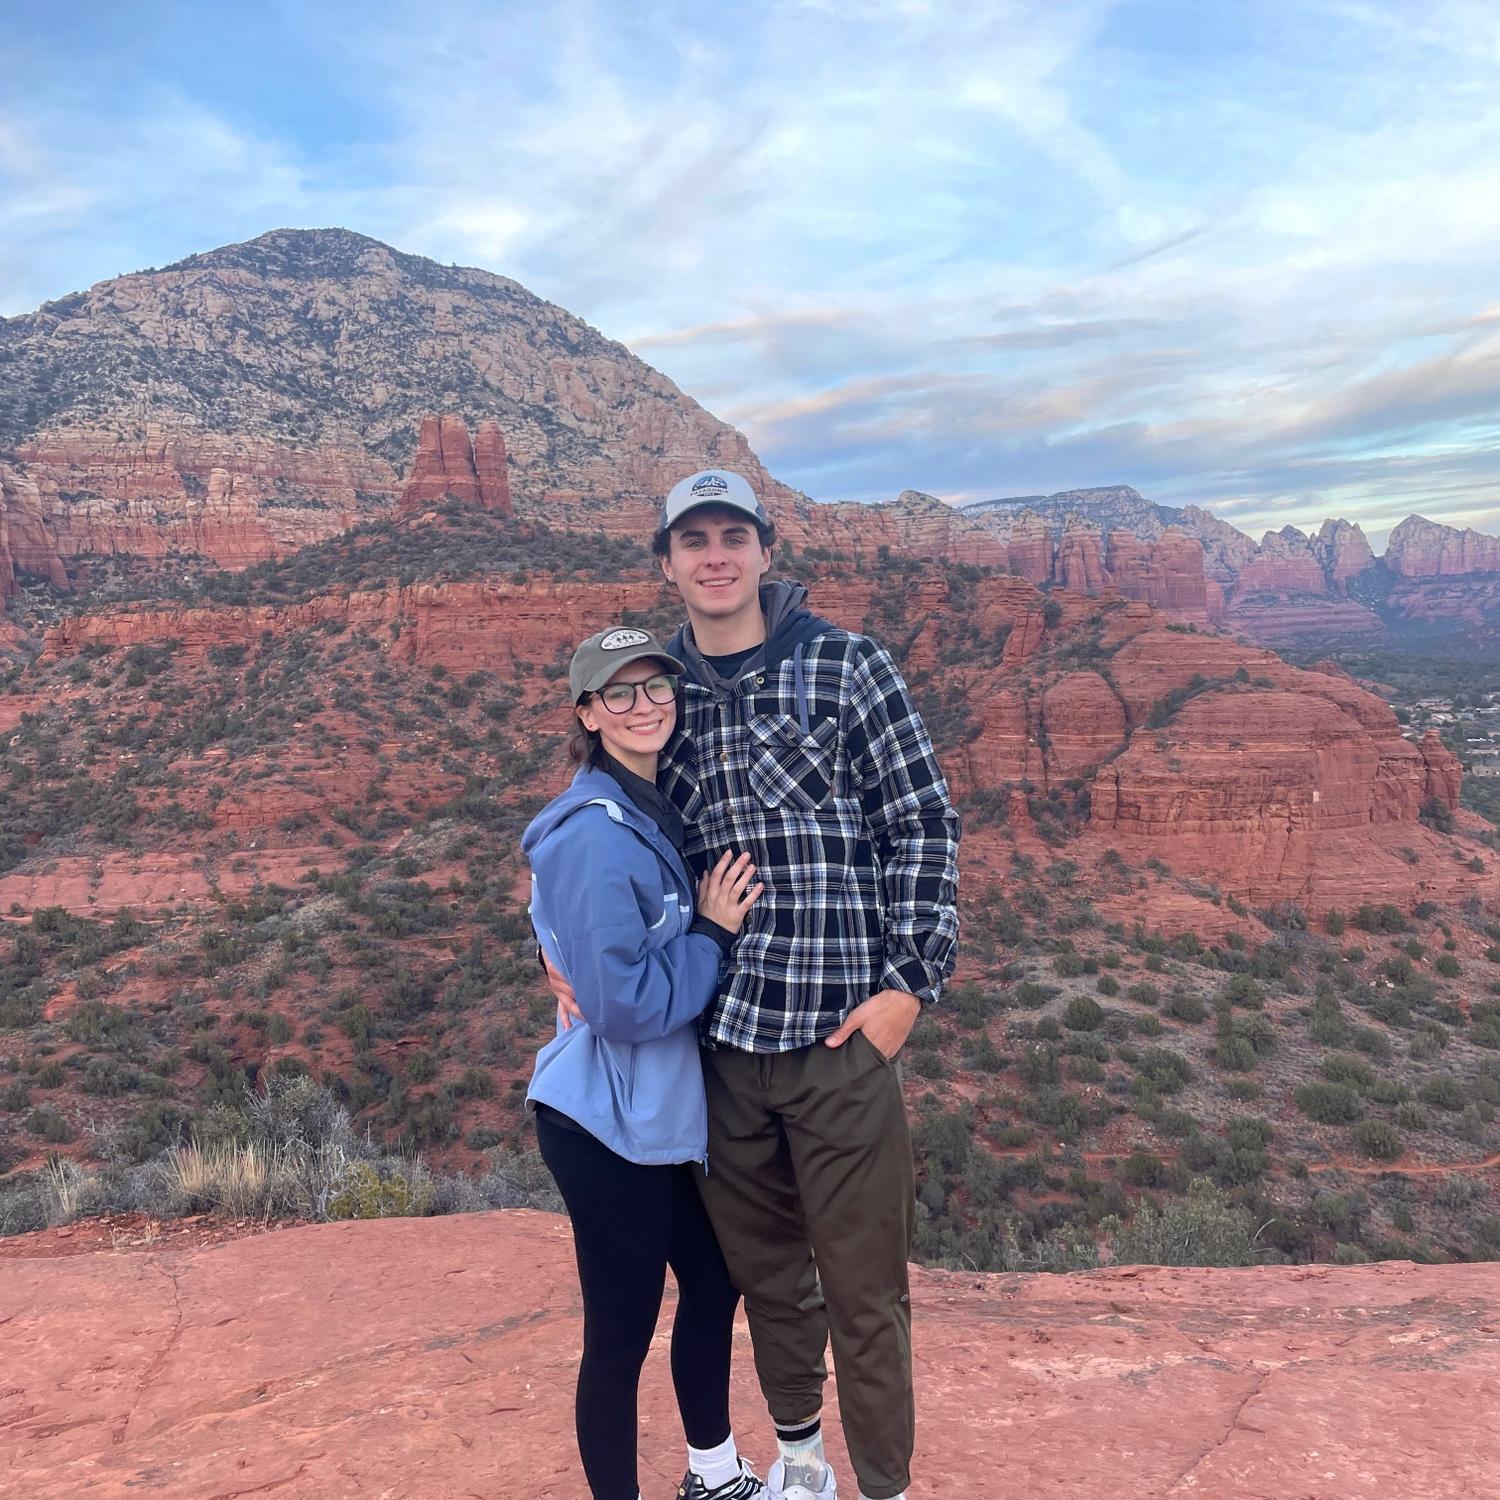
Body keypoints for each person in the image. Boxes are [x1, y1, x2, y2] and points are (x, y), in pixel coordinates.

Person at [549, 471, 960, 1500]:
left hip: (839, 1036)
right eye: (695, 540)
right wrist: (551, 951)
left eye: (734, 534)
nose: (716, 556)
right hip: (724, 1050)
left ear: (766, 549)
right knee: (770, 1278)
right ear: (668, 561)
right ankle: (803, 1468)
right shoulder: (660, 694)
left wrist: (911, 986)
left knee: (865, 1288)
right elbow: (596, 841)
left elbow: (920, 822)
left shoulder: (847, 665)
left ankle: (886, 1485)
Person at [524, 624, 768, 1500]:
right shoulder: (596, 832)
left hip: (653, 1117)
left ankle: (713, 1475)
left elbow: (575, 930)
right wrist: (713, 935)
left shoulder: (643, 803)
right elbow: (624, 1009)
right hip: (603, 1122)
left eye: (655, 686)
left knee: (714, 1280)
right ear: (587, 713)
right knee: (620, 1335)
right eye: (618, 693)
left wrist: (551, 949)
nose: (643, 706)